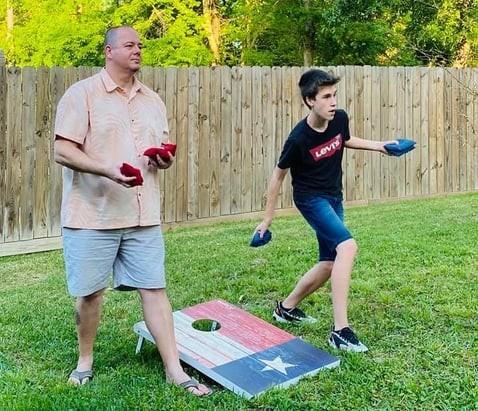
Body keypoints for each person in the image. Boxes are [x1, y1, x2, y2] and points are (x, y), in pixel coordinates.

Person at [54, 25, 211, 396]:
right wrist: (108, 169)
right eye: (129, 45)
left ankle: (175, 370)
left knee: (155, 289)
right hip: (94, 215)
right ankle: (85, 362)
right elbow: (63, 150)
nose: (138, 50)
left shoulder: (153, 100)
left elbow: (155, 152)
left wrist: (164, 160)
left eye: (140, 45)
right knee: (91, 293)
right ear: (109, 52)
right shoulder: (83, 95)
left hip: (143, 216)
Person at [253, 68, 398, 353]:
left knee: (330, 263)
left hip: (333, 196)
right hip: (310, 199)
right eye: (326, 97)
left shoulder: (339, 119)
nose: (333, 102)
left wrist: (381, 146)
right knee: (348, 247)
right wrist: (267, 218)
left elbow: (345, 140)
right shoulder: (299, 139)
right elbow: (278, 175)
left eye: (335, 95)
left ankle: (286, 308)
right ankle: (340, 331)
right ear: (310, 100)